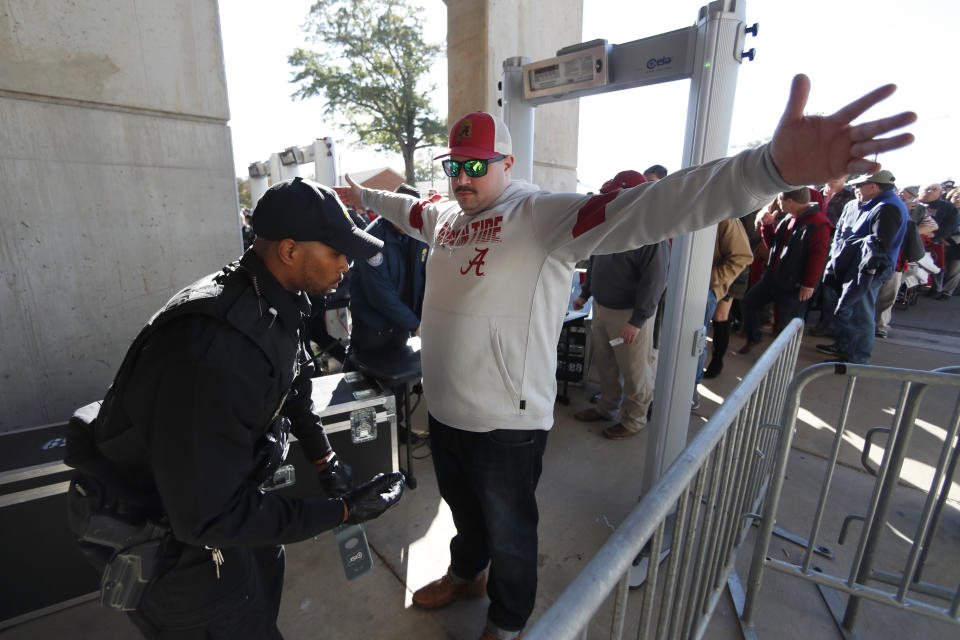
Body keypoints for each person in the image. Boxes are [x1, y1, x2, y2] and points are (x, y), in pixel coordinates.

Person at [344, 74, 915, 640]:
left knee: (510, 527)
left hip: (505, 422)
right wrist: (360, 197)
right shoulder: (444, 217)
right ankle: (468, 573)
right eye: (454, 165)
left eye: (476, 165)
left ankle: (509, 618)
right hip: (445, 409)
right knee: (463, 512)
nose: (462, 177)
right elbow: (405, 208)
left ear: (505, 164)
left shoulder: (542, 216)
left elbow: (656, 205)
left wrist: (766, 169)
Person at [65, 176, 405, 639]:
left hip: (221, 505)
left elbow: (293, 384)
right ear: (289, 250)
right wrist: (343, 512)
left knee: (264, 586)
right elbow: (208, 517)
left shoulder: (272, 296)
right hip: (172, 542)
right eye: (336, 251)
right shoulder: (214, 353)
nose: (347, 263)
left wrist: (324, 459)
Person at [571, 170, 669, 439]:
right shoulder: (609, 227)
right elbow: (596, 262)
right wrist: (586, 292)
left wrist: (637, 320)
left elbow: (654, 281)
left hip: (629, 316)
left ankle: (634, 420)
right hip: (602, 309)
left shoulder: (650, 233)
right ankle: (607, 406)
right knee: (605, 363)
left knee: (635, 371)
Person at [817, 170, 909, 363]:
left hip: (867, 271)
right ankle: (844, 347)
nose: (855, 189)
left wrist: (866, 273)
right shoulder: (878, 204)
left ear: (873, 187)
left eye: (859, 185)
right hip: (859, 268)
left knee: (861, 314)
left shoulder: (887, 207)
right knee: (852, 310)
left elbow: (879, 245)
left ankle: (858, 359)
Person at [739, 188, 832, 354]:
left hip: (794, 286)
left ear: (790, 201)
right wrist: (767, 227)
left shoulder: (819, 224)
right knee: (748, 303)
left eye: (780, 200)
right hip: (773, 279)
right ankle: (755, 337)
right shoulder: (790, 218)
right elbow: (773, 245)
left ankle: (783, 361)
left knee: (788, 327)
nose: (778, 205)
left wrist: (808, 285)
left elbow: (818, 258)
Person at [348, 183, 431, 354]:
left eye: (412, 214)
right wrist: (416, 326)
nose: (407, 219)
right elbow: (379, 294)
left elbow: (423, 280)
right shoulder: (372, 238)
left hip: (403, 326)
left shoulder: (420, 234)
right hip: (373, 330)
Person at [700, 218, 753, 380]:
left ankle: (717, 361)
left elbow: (742, 257)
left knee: (720, 316)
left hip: (730, 275)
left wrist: (711, 279)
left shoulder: (727, 219)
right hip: (716, 273)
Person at [918, 183, 959, 298]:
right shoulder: (913, 204)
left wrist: (936, 235)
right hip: (914, 238)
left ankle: (937, 289)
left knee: (936, 265)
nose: (929, 191)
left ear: (940, 193)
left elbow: (951, 225)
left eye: (934, 189)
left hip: (935, 241)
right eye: (927, 189)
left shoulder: (948, 208)